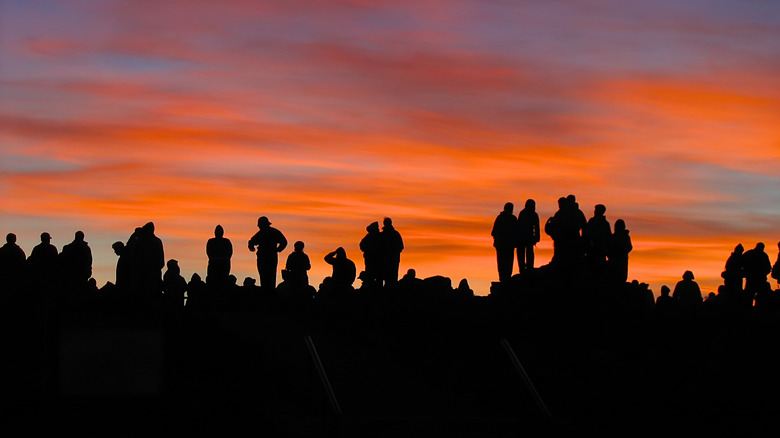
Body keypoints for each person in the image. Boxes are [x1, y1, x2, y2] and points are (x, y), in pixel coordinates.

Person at [248, 216, 287, 290]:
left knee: (266, 275)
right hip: (268, 256)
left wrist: (278, 249)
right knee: (268, 275)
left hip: (267, 257)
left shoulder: (265, 233)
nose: (258, 226)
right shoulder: (272, 232)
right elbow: (251, 242)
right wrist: (278, 249)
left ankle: (267, 291)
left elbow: (284, 242)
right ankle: (267, 290)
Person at [491, 202, 517, 282]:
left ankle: (503, 279)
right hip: (507, 245)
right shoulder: (513, 219)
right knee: (507, 263)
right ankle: (506, 279)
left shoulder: (500, 218)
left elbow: (493, 232)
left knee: (502, 263)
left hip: (502, 245)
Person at [742, 242, 772, 307]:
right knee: (751, 296)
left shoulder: (751, 254)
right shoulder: (761, 255)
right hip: (754, 279)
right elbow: (741, 263)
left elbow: (768, 267)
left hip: (756, 279)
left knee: (755, 296)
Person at [516, 199, 540, 274]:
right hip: (524, 237)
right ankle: (525, 268)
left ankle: (526, 268)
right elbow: (536, 227)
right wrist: (537, 237)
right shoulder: (529, 214)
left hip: (526, 238)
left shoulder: (524, 213)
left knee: (527, 253)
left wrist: (537, 237)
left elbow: (536, 227)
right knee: (524, 253)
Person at [379, 217, 404, 287]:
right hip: (392, 260)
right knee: (392, 279)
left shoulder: (382, 235)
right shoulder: (395, 234)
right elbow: (401, 247)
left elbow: (401, 247)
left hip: (386, 260)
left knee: (386, 278)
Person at [607, 219, 632, 283]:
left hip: (621, 261)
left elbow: (629, 247)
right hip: (614, 261)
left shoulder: (625, 237)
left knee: (621, 278)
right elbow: (608, 248)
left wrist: (621, 251)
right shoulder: (612, 237)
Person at [359, 221, 382, 286]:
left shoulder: (369, 237)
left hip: (374, 261)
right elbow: (361, 246)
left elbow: (361, 246)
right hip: (375, 261)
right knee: (376, 278)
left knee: (373, 277)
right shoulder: (380, 236)